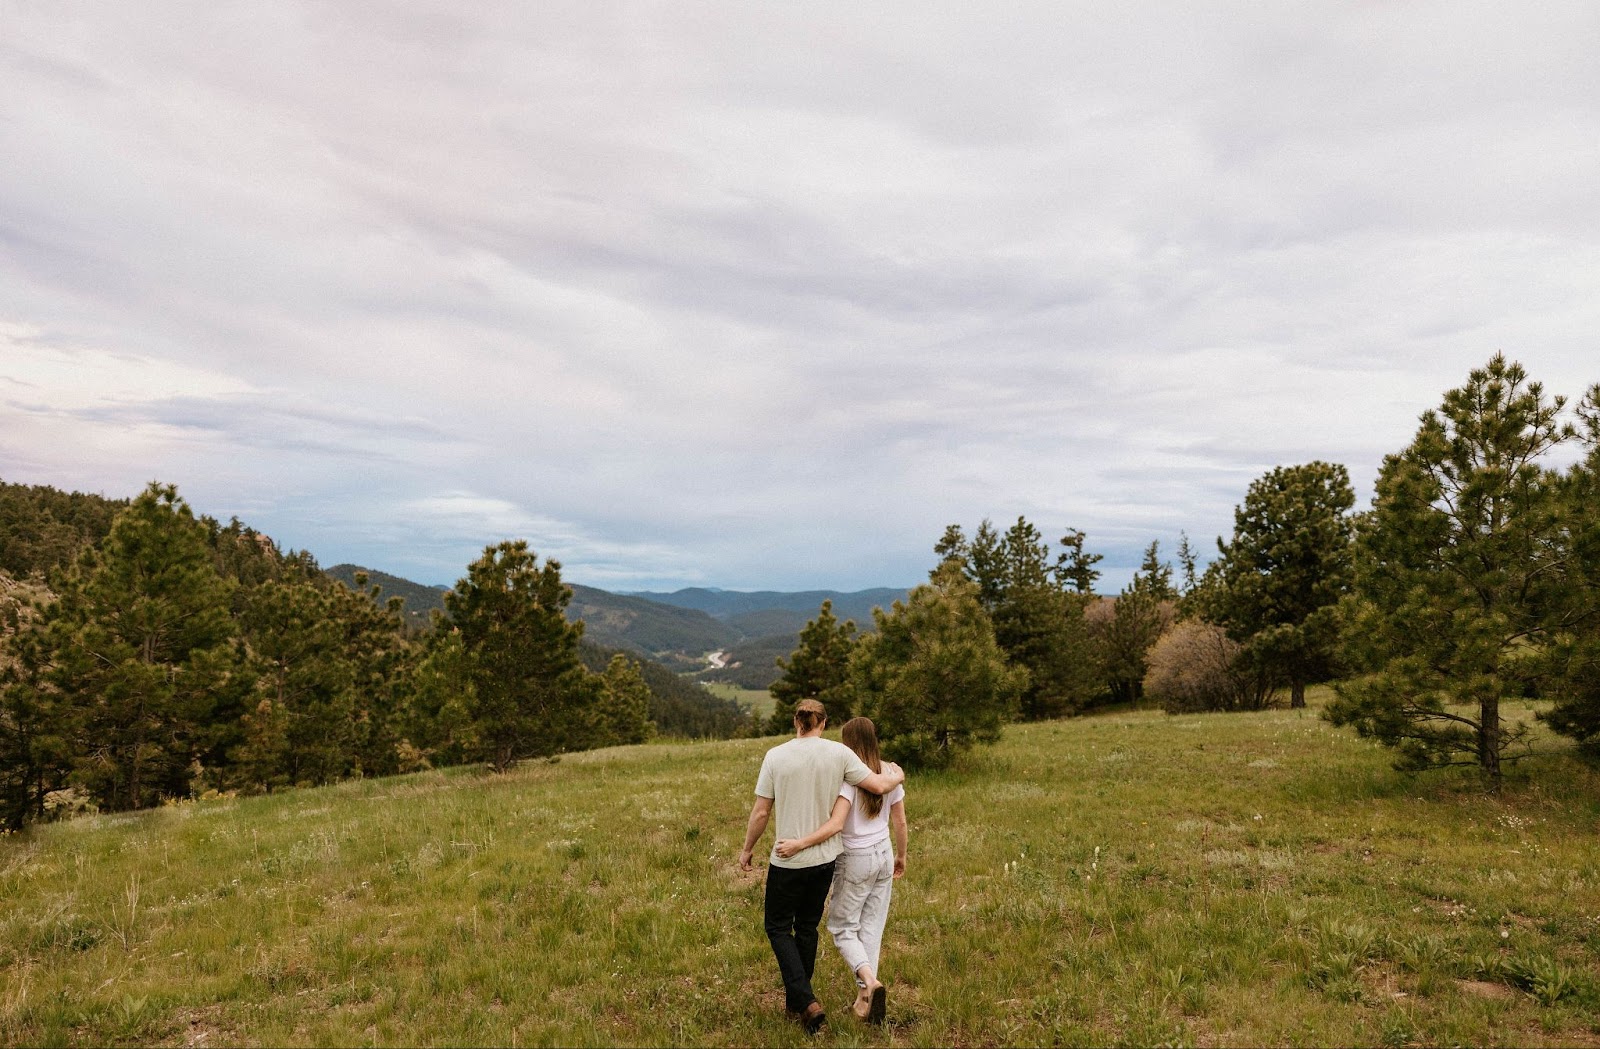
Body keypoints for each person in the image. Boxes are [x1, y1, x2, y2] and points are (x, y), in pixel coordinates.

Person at [739, 699, 904, 1034]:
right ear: (823, 722)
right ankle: (801, 1002)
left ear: (795, 721)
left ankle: (806, 1001)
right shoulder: (839, 755)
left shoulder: (775, 756)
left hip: (790, 860)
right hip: (827, 861)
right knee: (808, 927)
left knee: (777, 927)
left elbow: (760, 813)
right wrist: (898, 773)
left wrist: (747, 849)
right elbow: (878, 785)